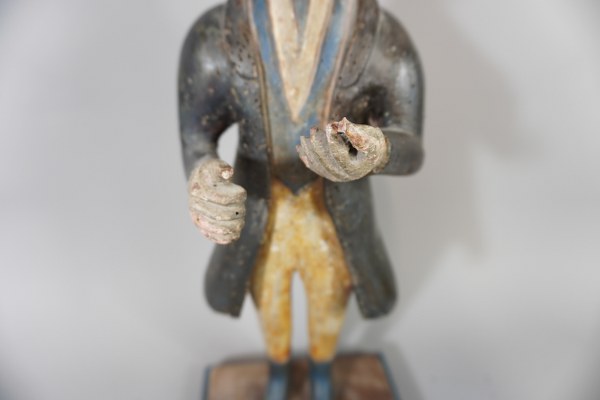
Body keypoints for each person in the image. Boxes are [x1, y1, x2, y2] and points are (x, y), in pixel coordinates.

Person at [178, 0, 424, 398]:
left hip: (332, 213)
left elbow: (410, 142)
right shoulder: (218, 33)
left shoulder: (379, 35)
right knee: (270, 297)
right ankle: (277, 371)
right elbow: (196, 135)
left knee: (329, 298)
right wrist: (203, 174)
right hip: (265, 205)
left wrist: (379, 149)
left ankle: (321, 373)